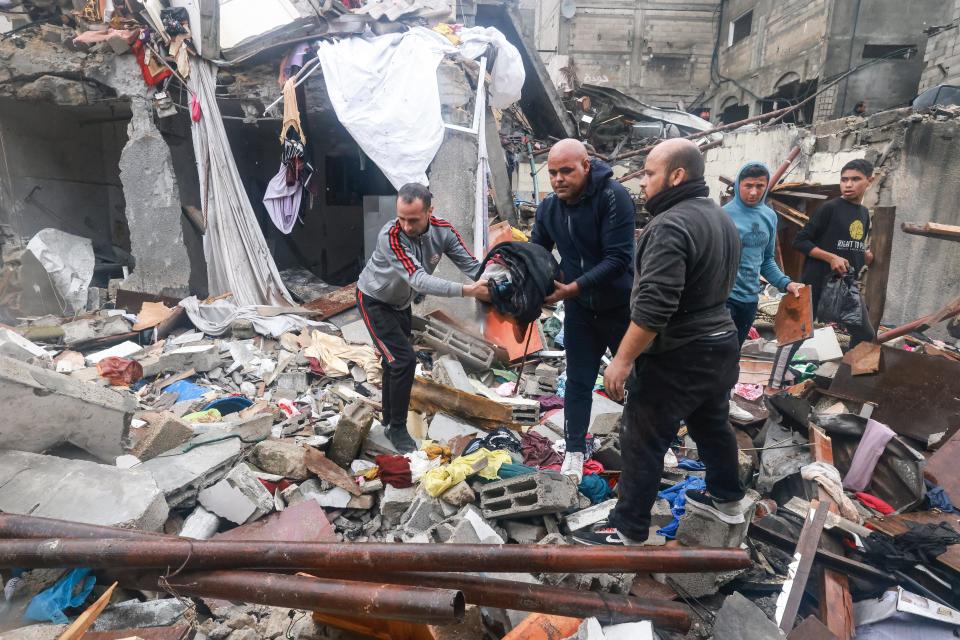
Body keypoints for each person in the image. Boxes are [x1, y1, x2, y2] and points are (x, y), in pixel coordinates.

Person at [573, 139, 747, 546]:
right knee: (712, 424)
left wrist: (622, 360)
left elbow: (654, 308)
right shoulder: (719, 217)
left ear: (677, 176)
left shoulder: (670, 224)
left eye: (650, 173)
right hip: (720, 343)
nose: (644, 182)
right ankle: (728, 497)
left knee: (643, 436)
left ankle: (628, 525)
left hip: (680, 352)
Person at [530, 139, 635, 483]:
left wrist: (571, 287)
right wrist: (526, 284)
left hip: (620, 308)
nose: (558, 179)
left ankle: (649, 440)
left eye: (566, 171)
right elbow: (537, 254)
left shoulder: (612, 197)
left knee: (640, 379)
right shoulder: (548, 208)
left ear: (586, 166)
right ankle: (575, 449)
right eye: (553, 173)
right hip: (579, 311)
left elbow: (619, 259)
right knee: (577, 381)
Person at [357, 183, 489, 452]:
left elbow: (473, 267)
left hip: (400, 303)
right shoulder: (391, 235)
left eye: (413, 219)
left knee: (392, 363)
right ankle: (396, 427)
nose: (406, 225)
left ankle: (387, 419)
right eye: (401, 217)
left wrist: (496, 281)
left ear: (430, 210)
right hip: (374, 301)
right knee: (403, 361)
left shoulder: (444, 232)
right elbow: (418, 279)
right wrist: (467, 291)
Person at [724, 163, 803, 421]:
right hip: (723, 298)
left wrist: (786, 283)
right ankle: (701, 405)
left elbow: (767, 260)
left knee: (733, 354)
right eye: (748, 185)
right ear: (738, 185)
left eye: (760, 185)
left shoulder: (769, 217)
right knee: (715, 352)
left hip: (749, 299)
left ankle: (723, 402)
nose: (754, 191)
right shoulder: (723, 215)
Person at [793, 159, 876, 346]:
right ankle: (777, 376)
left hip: (845, 285)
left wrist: (864, 254)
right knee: (798, 333)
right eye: (844, 179)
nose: (848, 184)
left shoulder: (863, 213)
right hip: (817, 281)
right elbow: (800, 241)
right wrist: (831, 257)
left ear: (869, 181)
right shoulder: (829, 208)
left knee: (864, 334)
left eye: (855, 179)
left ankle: (845, 374)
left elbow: (847, 244)